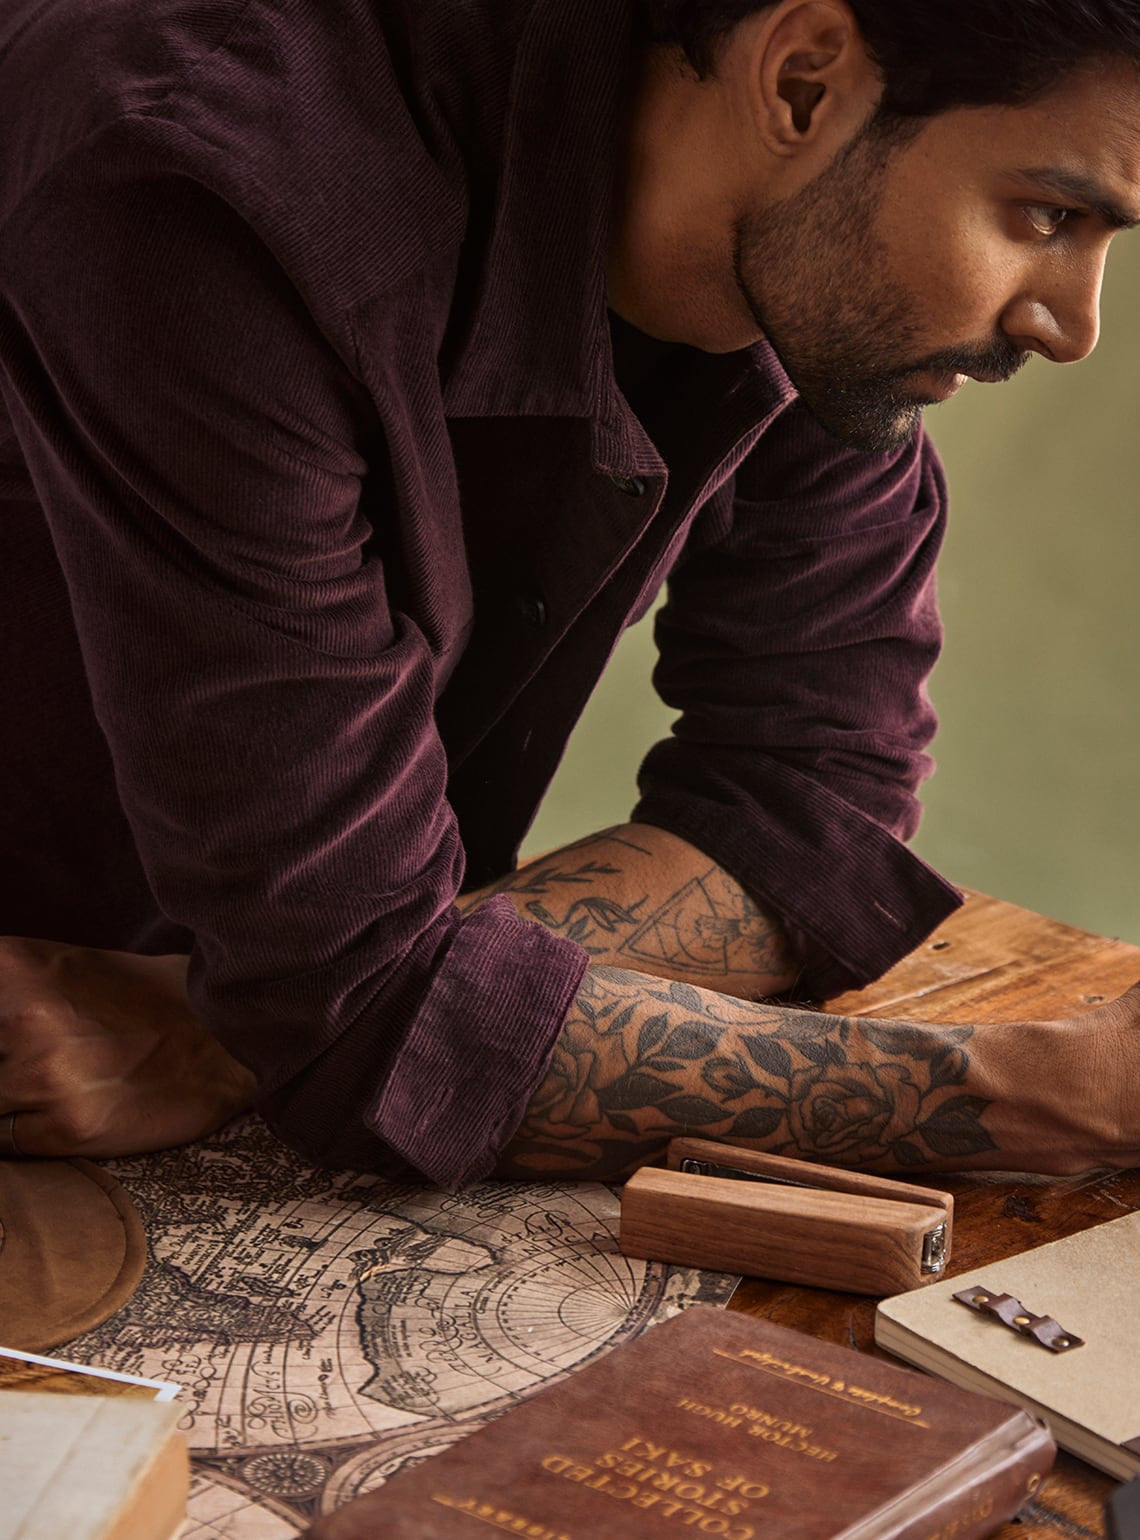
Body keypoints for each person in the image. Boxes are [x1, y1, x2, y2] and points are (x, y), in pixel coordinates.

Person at [1, 0, 1138, 1187]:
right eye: (1047, 214)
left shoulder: (812, 273)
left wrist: (280, 1021)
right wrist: (1027, 1098)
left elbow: (812, 799)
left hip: (161, 1062)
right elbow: (356, 1011)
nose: (1071, 324)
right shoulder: (212, 191)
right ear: (802, 80)